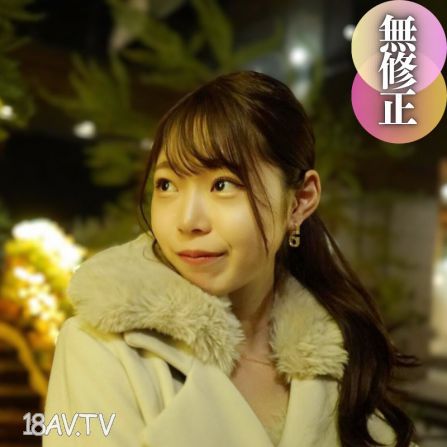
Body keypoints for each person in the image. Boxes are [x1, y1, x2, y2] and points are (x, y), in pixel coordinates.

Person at [43, 71, 421, 447]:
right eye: (167, 185)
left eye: (222, 184)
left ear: (300, 202)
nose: (188, 221)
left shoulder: (342, 361)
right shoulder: (95, 347)